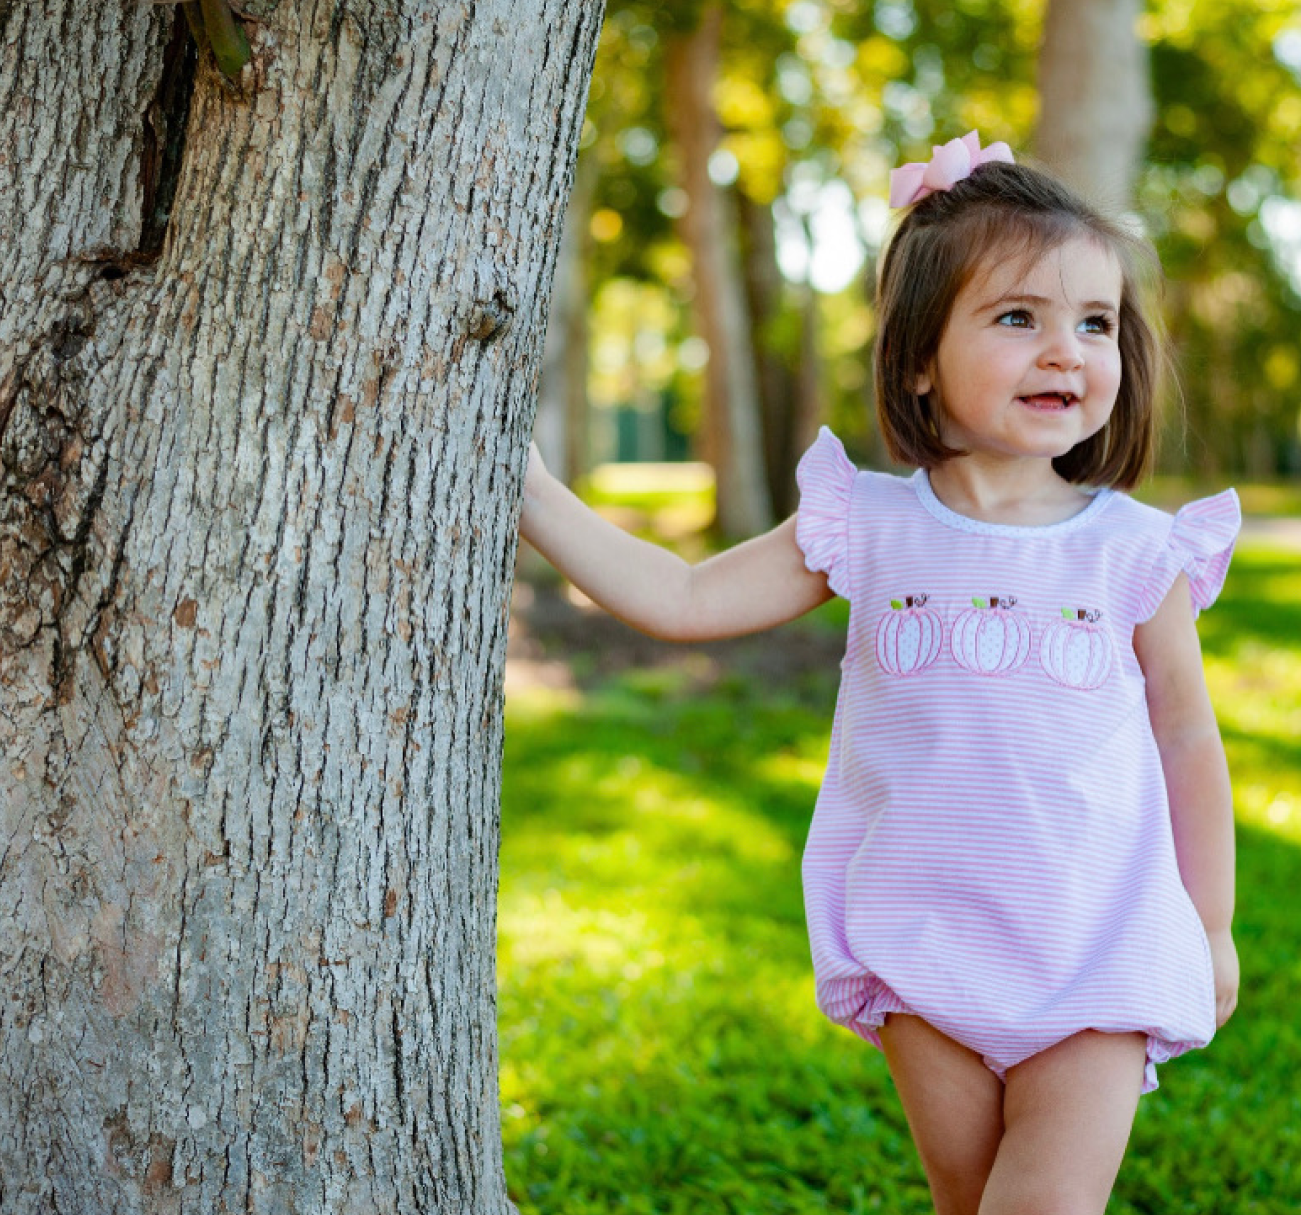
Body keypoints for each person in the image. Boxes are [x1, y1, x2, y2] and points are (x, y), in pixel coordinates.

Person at [517, 130, 1241, 1215]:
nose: (1066, 351)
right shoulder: (864, 523)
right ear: (916, 357)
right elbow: (676, 598)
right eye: (1017, 318)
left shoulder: (1136, 552)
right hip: (924, 955)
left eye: (1094, 323)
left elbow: (1187, 740)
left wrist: (1212, 922)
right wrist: (524, 488)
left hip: (1101, 954)